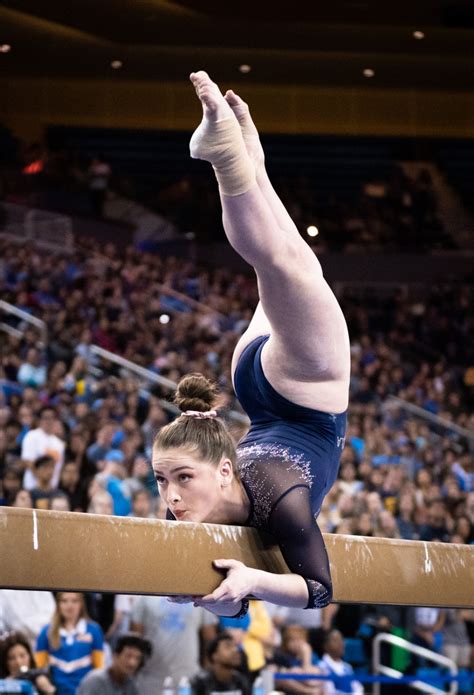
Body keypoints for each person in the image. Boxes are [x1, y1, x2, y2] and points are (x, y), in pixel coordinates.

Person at [152, 71, 350, 617]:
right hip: (304, 395)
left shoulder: (266, 491)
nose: (170, 497)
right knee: (291, 261)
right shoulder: (283, 499)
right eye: (166, 480)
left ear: (223, 470)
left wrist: (246, 584)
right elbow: (319, 590)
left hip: (279, 390)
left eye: (177, 478)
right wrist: (232, 591)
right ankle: (249, 165)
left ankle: (230, 161)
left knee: (283, 263)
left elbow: (302, 591)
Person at [35, 592, 105, 695]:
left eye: (74, 601)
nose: (69, 605)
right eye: (64, 601)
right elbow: (38, 669)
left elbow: (99, 669)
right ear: (58, 604)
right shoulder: (46, 632)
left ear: (81, 604)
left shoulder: (94, 630)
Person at [76, 633, 152, 695]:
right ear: (115, 656)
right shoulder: (95, 681)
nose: (132, 663)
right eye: (128, 656)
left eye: (137, 658)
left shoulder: (131, 686)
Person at [319, 630, 363, 695]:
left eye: (341, 640)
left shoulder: (347, 667)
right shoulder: (322, 667)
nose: (341, 643)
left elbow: (358, 687)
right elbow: (330, 692)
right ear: (326, 646)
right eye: (336, 640)